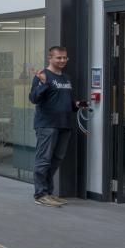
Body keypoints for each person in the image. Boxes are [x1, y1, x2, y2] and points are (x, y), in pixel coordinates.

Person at [28, 46, 77, 208]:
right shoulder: (43, 75)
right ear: (50, 58)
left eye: (65, 58)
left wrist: (76, 105)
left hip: (64, 124)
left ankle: (48, 192)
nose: (62, 61)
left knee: (56, 160)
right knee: (43, 160)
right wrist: (43, 84)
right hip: (47, 125)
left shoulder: (66, 78)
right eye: (59, 58)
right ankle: (40, 194)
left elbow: (63, 101)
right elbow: (33, 98)